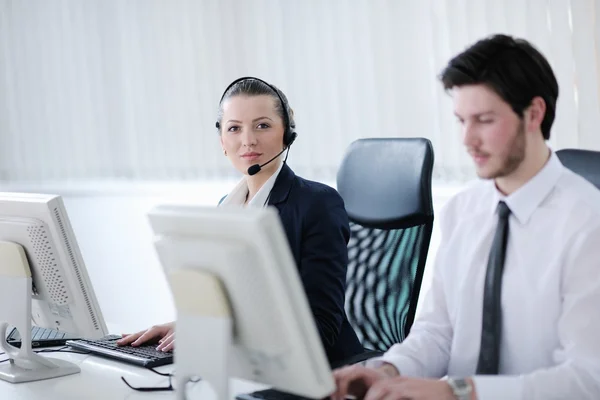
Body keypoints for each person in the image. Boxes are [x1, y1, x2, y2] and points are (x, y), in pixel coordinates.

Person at [332, 34, 600, 400]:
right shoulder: (462, 211)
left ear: (534, 114)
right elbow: (437, 332)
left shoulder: (588, 221)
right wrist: (385, 371)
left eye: (484, 120)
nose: (467, 139)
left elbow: (587, 378)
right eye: (461, 121)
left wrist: (459, 391)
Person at [117, 77, 364, 366]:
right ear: (222, 141)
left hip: (321, 374)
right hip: (251, 365)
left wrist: (217, 333)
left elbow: (320, 330)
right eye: (234, 128)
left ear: (287, 134)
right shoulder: (227, 208)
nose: (248, 140)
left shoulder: (317, 204)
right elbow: (232, 309)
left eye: (262, 125)